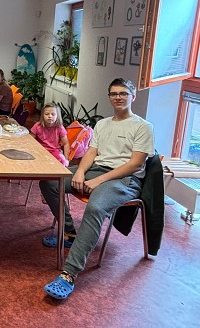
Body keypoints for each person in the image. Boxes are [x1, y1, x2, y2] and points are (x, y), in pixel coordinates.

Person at [40, 78, 154, 300]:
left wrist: (98, 181)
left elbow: (135, 164)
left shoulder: (143, 127)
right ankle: (70, 233)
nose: (118, 97)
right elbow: (91, 153)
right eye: (114, 94)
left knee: (95, 207)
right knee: (50, 182)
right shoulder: (103, 124)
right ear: (109, 97)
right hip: (96, 170)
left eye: (123, 93)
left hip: (124, 179)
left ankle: (69, 274)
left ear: (133, 96)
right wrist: (80, 172)